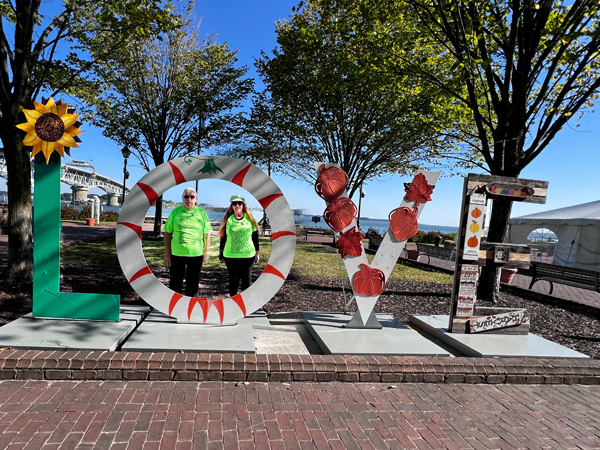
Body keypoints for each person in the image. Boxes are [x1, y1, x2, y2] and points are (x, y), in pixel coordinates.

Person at [164, 188, 212, 296]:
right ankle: (175, 310)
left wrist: (206, 252)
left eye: (192, 197)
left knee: (193, 284)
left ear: (196, 199)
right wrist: (167, 253)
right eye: (186, 196)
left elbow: (207, 234)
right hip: (177, 254)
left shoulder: (202, 213)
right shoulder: (175, 212)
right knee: (175, 284)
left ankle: (192, 310)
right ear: (182, 198)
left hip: (196, 254)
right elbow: (168, 232)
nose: (189, 199)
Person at [219, 194, 260, 297]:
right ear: (232, 206)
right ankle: (233, 306)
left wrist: (257, 252)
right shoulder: (228, 219)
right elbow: (223, 237)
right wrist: (220, 252)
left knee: (246, 282)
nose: (237, 205)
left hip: (248, 256)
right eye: (234, 203)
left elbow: (255, 237)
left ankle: (246, 306)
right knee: (234, 281)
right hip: (230, 256)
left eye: (239, 203)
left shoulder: (250, 219)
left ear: (243, 204)